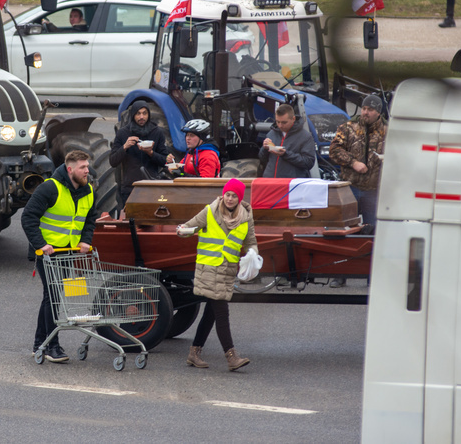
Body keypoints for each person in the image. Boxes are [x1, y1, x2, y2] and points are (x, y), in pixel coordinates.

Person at [22, 150, 97, 364]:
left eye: (87, 166)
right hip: (47, 253)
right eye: (83, 167)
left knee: (52, 296)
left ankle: (40, 344)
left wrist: (85, 240)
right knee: (54, 296)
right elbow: (28, 217)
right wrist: (41, 245)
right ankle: (52, 346)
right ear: (70, 169)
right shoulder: (50, 188)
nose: (87, 170)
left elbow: (90, 218)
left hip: (67, 253)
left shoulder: (88, 190)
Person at [177, 178, 257, 371]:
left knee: (211, 314)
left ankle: (194, 353)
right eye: (227, 194)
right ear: (223, 195)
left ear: (239, 198)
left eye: (234, 196)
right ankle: (231, 357)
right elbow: (190, 227)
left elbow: (251, 241)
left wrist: (253, 254)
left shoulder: (246, 217)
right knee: (221, 312)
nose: (229, 199)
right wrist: (182, 230)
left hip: (227, 272)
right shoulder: (210, 211)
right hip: (208, 270)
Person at [329, 95, 387, 287]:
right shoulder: (348, 128)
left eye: (370, 109)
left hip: (373, 190)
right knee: (344, 232)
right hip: (350, 188)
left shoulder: (388, 131)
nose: (365, 112)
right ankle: (340, 274)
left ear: (378, 112)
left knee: (374, 233)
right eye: (363, 108)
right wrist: (353, 163)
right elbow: (334, 150)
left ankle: (371, 275)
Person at [109, 100, 168, 207]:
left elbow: (165, 161)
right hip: (130, 187)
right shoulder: (123, 133)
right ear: (133, 115)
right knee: (130, 220)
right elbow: (113, 161)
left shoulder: (157, 132)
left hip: (151, 186)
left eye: (144, 113)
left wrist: (150, 153)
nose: (141, 117)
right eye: (138, 113)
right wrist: (125, 147)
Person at [257, 104, 315, 178]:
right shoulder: (271, 133)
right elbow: (262, 158)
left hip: (290, 184)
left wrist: (285, 154)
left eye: (284, 122)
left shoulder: (305, 137)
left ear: (293, 119)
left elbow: (308, 163)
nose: (280, 125)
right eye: (278, 122)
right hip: (270, 182)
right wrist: (264, 148)